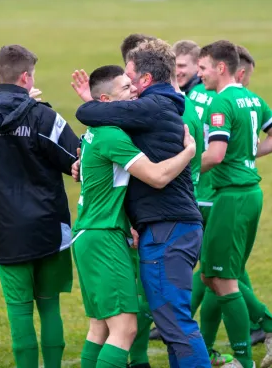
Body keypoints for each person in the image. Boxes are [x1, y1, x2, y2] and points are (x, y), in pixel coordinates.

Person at [74, 39, 211, 368]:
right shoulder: (151, 110)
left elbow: (87, 113)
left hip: (168, 228)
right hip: (160, 227)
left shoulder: (151, 107)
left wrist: (189, 153)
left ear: (146, 80)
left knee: (173, 322)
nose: (131, 85)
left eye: (130, 77)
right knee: (164, 322)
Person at [0, 44, 80, 368]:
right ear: (26, 77)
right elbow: (77, 160)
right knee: (49, 306)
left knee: (19, 312)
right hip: (49, 230)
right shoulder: (43, 116)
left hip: (4, 232)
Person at [197, 40, 272, 368]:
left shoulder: (220, 102)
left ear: (220, 67)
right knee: (214, 274)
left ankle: (250, 351)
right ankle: (264, 330)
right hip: (247, 193)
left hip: (232, 196)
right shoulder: (252, 98)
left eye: (204, 68)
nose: (201, 75)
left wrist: (181, 169)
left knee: (222, 277)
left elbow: (215, 155)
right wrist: (248, 155)